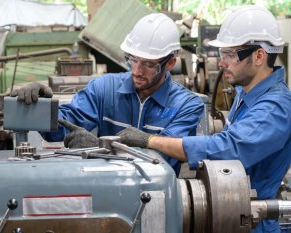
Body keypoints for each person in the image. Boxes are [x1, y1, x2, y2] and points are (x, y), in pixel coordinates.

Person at [117, 5, 291, 233]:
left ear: (259, 56)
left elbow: (229, 149)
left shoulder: (275, 107)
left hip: (252, 220)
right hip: (230, 209)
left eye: (229, 54)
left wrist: (150, 140)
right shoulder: (246, 91)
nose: (221, 63)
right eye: (222, 54)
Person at [10, 13, 204, 172]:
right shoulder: (105, 89)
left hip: (157, 198)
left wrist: (101, 149)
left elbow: (160, 162)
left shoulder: (187, 105)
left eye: (148, 64)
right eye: (133, 60)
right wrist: (43, 108)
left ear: (170, 63)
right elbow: (62, 127)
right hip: (106, 192)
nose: (136, 71)